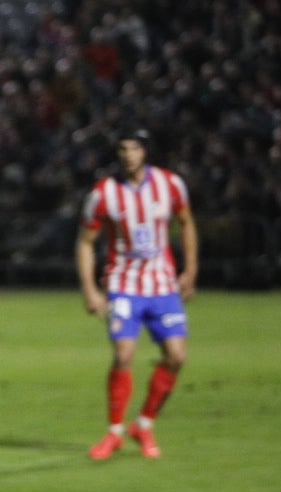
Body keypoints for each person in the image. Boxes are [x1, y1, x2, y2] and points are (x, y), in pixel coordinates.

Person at [76, 130, 198, 460]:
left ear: (145, 151)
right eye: (123, 149)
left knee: (176, 356)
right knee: (124, 353)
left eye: (135, 148)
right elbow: (85, 242)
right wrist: (91, 290)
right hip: (123, 285)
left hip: (162, 285)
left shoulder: (170, 184)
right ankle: (114, 432)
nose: (129, 154)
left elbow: (186, 223)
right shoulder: (103, 193)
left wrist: (190, 270)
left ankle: (143, 424)